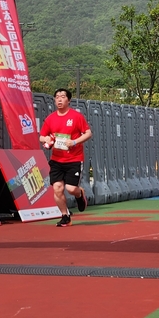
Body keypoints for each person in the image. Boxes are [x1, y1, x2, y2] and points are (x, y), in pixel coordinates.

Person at [39, 88, 92, 227]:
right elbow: (42, 136)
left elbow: (88, 133)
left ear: (68, 100)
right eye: (57, 97)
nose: (59, 99)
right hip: (56, 160)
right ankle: (65, 216)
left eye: (63, 97)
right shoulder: (50, 118)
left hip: (74, 159)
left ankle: (79, 194)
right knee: (57, 188)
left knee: (71, 189)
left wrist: (74, 142)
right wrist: (46, 139)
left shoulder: (76, 116)